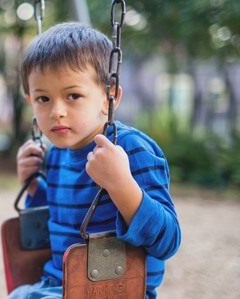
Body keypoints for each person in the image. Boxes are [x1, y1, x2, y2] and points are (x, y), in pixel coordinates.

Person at [10, 22, 181, 299]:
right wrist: (33, 189)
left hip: (117, 290)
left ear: (109, 96)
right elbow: (59, 224)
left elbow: (168, 241)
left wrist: (121, 185)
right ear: (30, 101)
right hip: (57, 286)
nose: (57, 112)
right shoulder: (54, 156)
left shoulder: (130, 149)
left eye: (73, 95)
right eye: (43, 98)